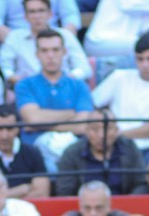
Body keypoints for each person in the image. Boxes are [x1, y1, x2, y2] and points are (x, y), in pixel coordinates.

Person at [91, 32, 149, 164]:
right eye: (140, 59)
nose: (145, 64)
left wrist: (116, 135)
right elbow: (92, 105)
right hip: (116, 148)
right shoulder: (119, 77)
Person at [14, 29, 93, 173]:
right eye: (44, 50)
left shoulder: (79, 85)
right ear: (37, 54)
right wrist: (70, 114)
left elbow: (84, 126)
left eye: (55, 50)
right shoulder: (24, 85)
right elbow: (32, 118)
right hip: (37, 155)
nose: (50, 56)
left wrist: (40, 125)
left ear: (64, 52)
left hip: (74, 153)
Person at [0, 0, 91, 87]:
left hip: (63, 88)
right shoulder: (14, 37)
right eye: (32, 11)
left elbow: (84, 68)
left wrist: (67, 79)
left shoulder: (66, 35)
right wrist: (15, 79)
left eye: (41, 10)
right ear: (25, 16)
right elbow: (3, 67)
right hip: (28, 90)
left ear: (50, 14)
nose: (37, 16)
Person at [56, 108, 148, 196]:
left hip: (125, 208)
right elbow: (65, 191)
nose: (101, 135)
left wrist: (128, 203)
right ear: (86, 131)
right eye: (95, 129)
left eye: (107, 129)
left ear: (116, 130)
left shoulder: (130, 148)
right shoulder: (72, 153)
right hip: (86, 209)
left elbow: (142, 184)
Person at [0, 104, 50, 198]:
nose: (4, 135)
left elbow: (42, 194)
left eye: (9, 128)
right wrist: (23, 189)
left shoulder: (32, 153)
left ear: (18, 128)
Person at [82, 0, 149, 78]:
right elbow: (128, 5)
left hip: (123, 45)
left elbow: (145, 29)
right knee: (143, 48)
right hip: (97, 42)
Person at [0, 0, 80, 42]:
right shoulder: (13, 39)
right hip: (17, 38)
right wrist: (2, 31)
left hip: (51, 35)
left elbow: (70, 15)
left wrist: (66, 36)